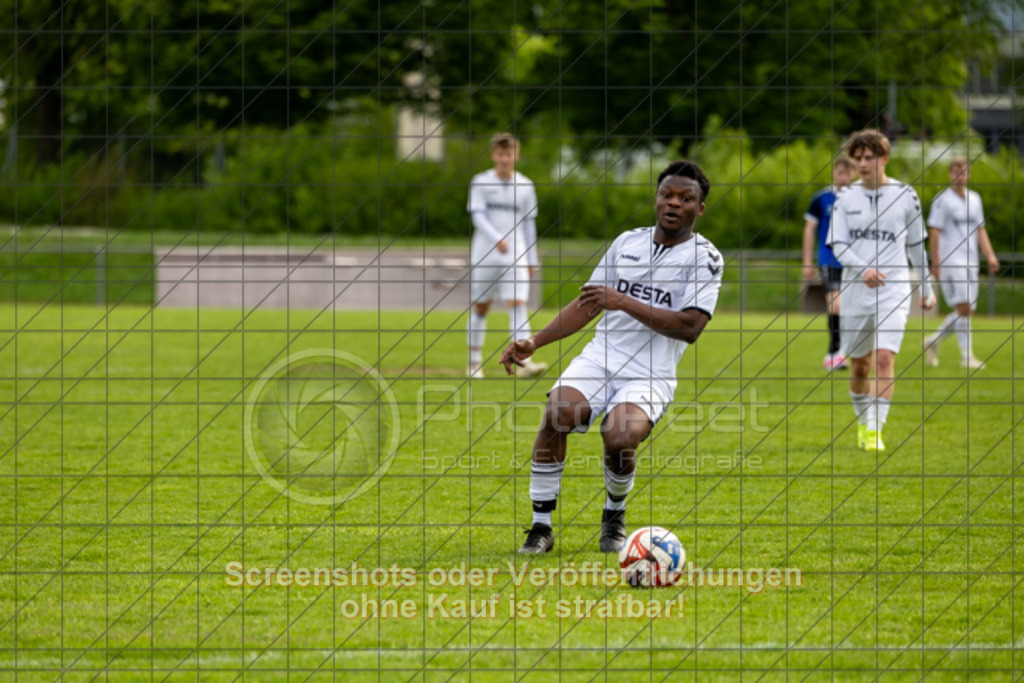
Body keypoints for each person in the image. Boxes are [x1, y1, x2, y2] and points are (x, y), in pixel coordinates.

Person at [500, 160, 723, 554]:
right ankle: (540, 527)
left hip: (650, 373)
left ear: (699, 209)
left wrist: (623, 300)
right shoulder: (626, 243)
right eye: (666, 195)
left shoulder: (706, 259)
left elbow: (689, 328)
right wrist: (534, 342)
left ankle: (614, 514)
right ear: (656, 199)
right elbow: (589, 304)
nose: (673, 204)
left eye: (685, 198)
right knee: (557, 413)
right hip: (599, 360)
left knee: (619, 437)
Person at [827, 129, 935, 452]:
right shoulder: (845, 198)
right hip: (856, 290)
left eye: (868, 157)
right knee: (860, 365)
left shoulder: (906, 195)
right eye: (857, 158)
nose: (862, 163)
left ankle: (875, 431)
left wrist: (925, 287)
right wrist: (863, 269)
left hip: (894, 289)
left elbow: (917, 245)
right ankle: (863, 423)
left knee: (885, 359)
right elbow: (838, 245)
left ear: (884, 158)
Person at [467, 132, 547, 379]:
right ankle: (474, 363)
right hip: (485, 255)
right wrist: (495, 238)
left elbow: (528, 224)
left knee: (518, 306)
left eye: (509, 154)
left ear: (516, 155)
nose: (504, 159)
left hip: (516, 256)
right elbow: (478, 215)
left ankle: (525, 363)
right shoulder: (480, 182)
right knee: (481, 307)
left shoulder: (525, 185)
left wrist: (531, 258)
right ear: (493, 155)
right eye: (500, 154)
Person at [923, 157, 1000, 370]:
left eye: (964, 171)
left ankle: (933, 341)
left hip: (971, 261)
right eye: (956, 171)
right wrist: (936, 262)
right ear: (950, 174)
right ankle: (967, 357)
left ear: (969, 174)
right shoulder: (942, 200)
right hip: (951, 260)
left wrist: (990, 255)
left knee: (967, 311)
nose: (960, 175)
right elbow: (935, 231)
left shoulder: (975, 199)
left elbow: (980, 230)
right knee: (963, 307)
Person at [802, 157, 858, 370]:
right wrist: (807, 261)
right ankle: (833, 353)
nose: (843, 176)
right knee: (835, 304)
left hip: (853, 261)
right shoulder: (821, 198)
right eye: (840, 172)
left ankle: (843, 350)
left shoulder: (858, 198)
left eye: (847, 172)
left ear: (853, 174)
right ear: (834, 172)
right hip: (829, 259)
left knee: (849, 308)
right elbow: (809, 229)